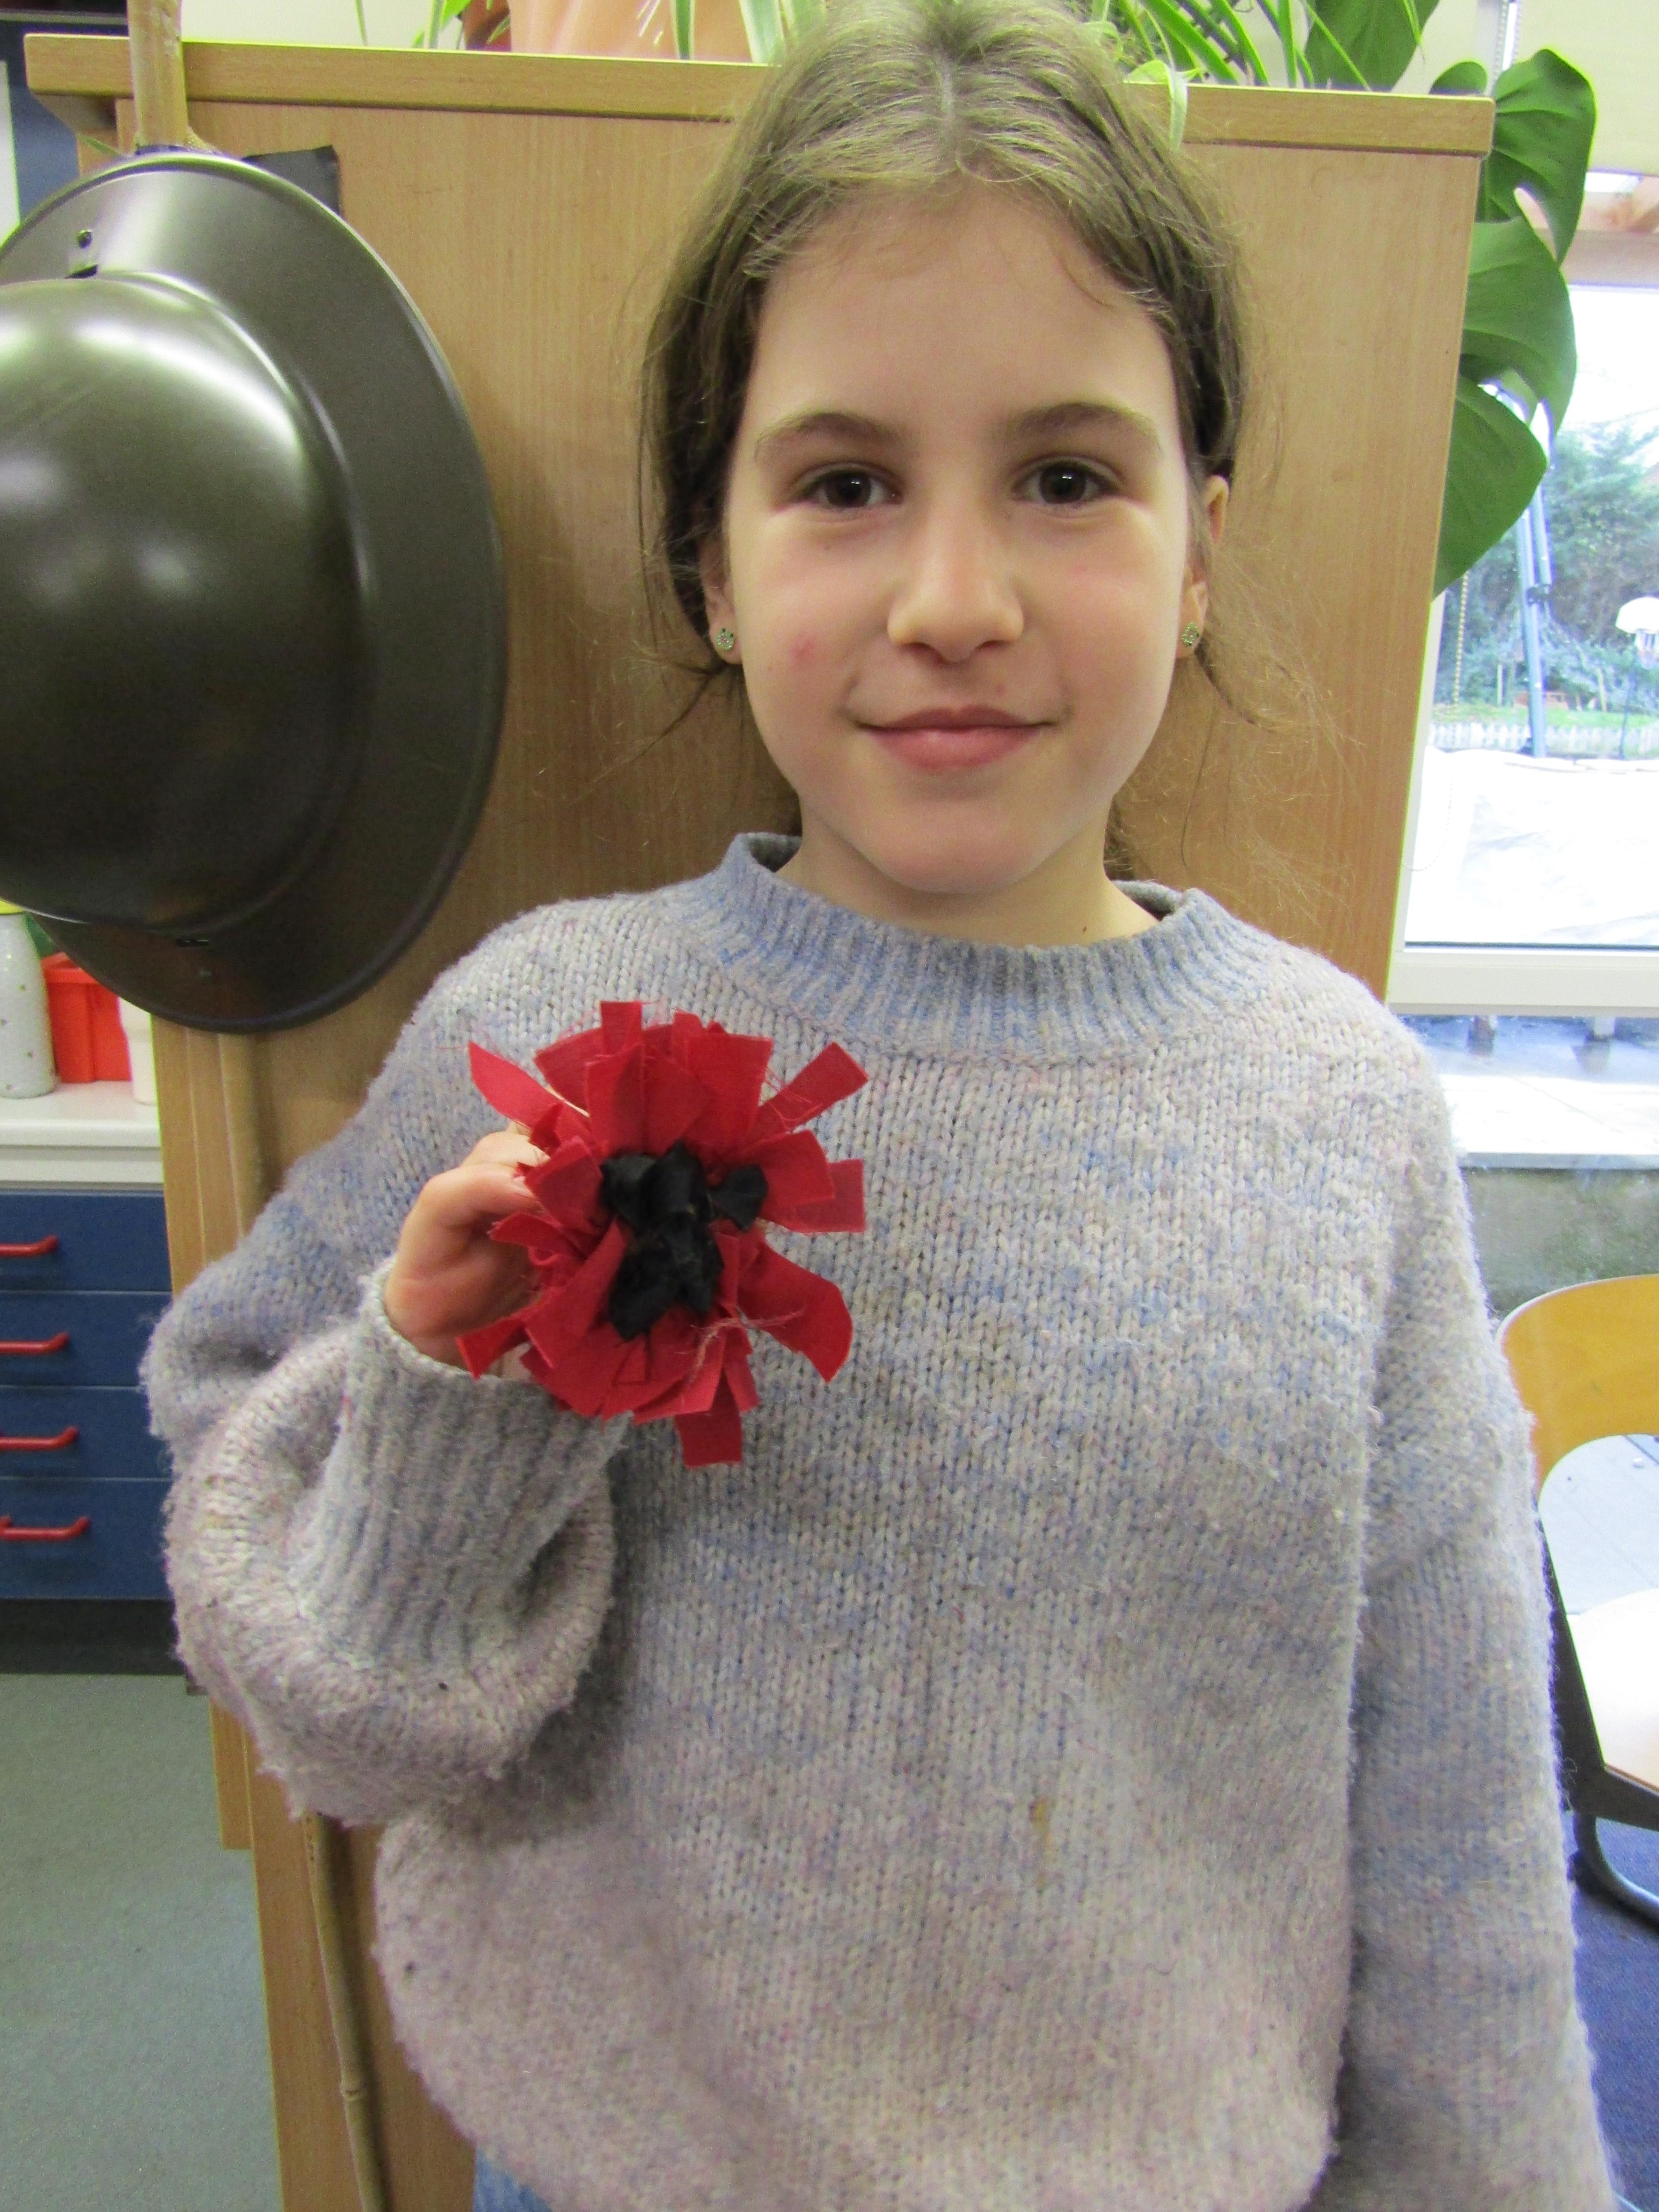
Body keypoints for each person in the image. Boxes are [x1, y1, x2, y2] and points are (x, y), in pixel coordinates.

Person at [145, 2, 1615, 2206]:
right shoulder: (545, 1027)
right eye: (843, 485)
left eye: (1068, 478)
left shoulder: (1343, 1117)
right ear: (713, 567)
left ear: (1201, 546)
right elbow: (334, 1705)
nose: (953, 601)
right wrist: (446, 1409)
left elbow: (1462, 1812)